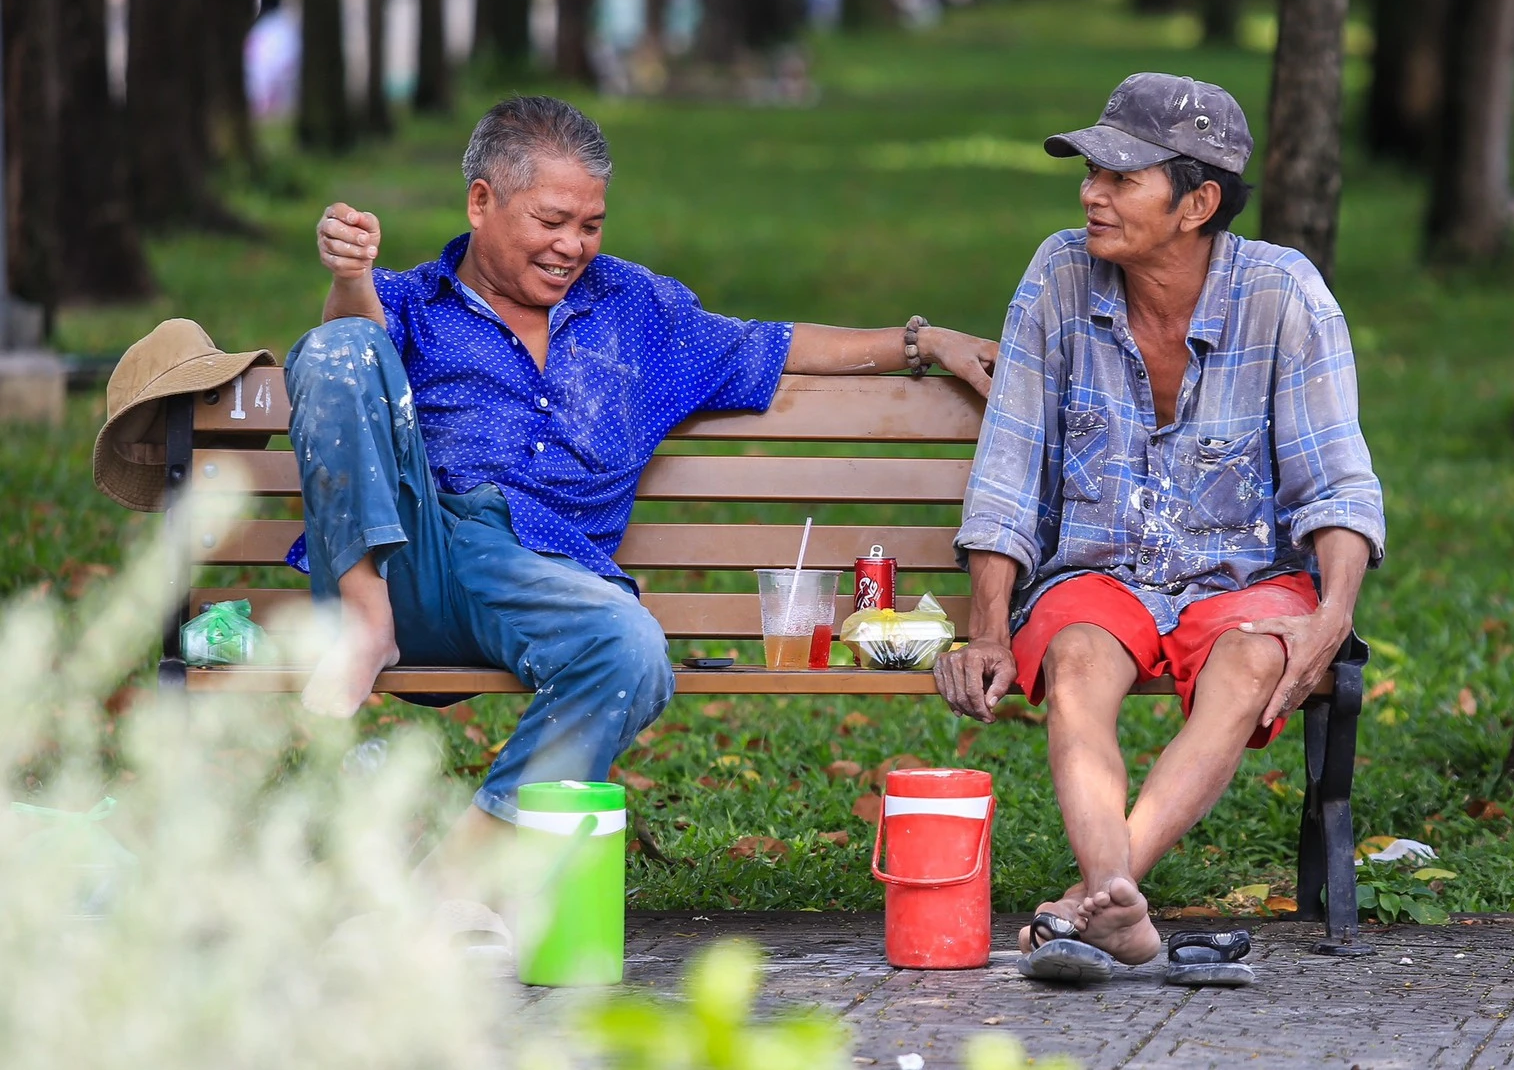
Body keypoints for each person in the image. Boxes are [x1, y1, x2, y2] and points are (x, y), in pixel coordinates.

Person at [290, 94, 996, 873]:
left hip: (539, 577)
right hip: (408, 566)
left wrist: (921, 340)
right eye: (551, 220)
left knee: (631, 647)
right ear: (481, 202)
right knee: (336, 349)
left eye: (590, 225)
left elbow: (777, 344)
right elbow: (348, 351)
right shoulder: (412, 302)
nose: (572, 246)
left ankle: (456, 886)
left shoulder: (635, 311)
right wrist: (352, 279)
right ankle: (363, 624)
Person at [936, 73, 1385, 977]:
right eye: (1089, 171)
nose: (1089, 193)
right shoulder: (1060, 275)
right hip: (1099, 576)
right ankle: (1114, 895)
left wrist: (1331, 611)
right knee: (1075, 662)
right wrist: (988, 627)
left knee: (1256, 657)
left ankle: (1096, 898)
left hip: (1243, 577)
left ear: (1198, 202)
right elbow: (1009, 468)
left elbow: (1337, 482)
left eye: (1119, 175)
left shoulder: (1284, 295)